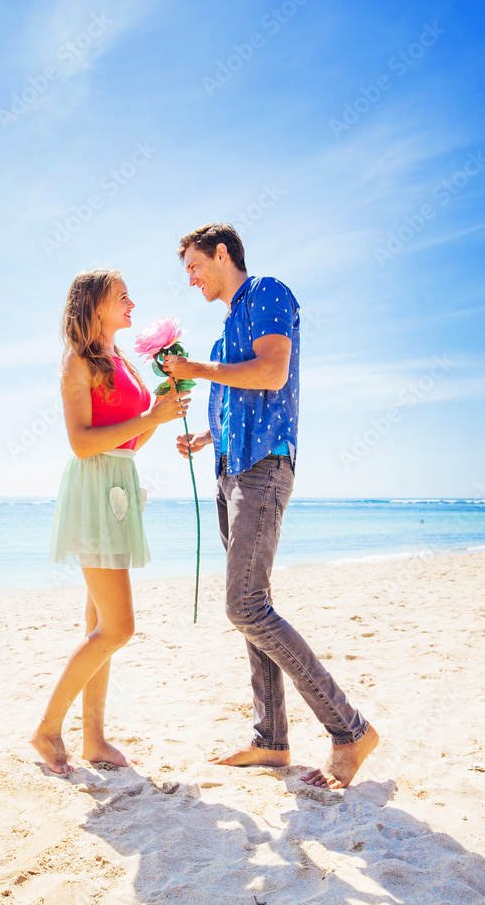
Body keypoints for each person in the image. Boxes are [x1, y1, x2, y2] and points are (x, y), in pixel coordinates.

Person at [163, 223, 378, 789]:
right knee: (253, 608)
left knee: (246, 607)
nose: (190, 279)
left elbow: (272, 372)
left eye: (193, 266)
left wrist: (195, 372)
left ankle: (349, 730)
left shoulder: (268, 293)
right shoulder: (223, 333)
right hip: (230, 472)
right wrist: (203, 439)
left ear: (221, 252)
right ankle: (271, 740)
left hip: (264, 470)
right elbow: (235, 403)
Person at [31, 267, 191, 775]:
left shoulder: (120, 360)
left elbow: (130, 440)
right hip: (95, 487)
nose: (133, 304)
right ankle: (47, 728)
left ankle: (93, 740)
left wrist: (161, 410)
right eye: (123, 296)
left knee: (98, 624)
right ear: (96, 304)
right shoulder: (78, 360)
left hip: (119, 485)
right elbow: (80, 443)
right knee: (119, 627)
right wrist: (150, 419)